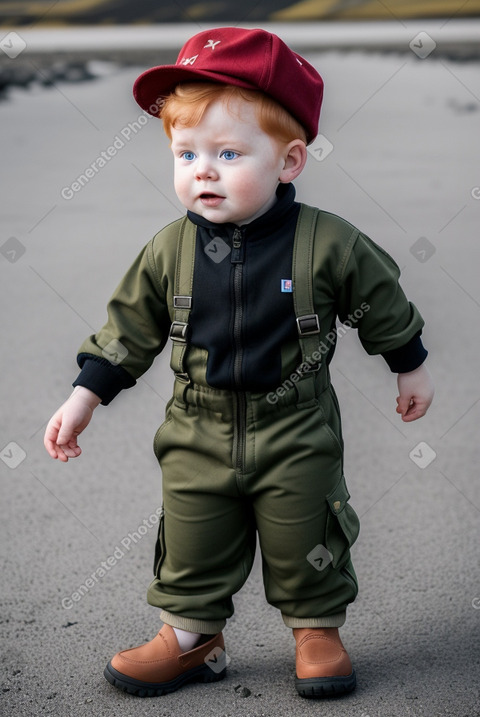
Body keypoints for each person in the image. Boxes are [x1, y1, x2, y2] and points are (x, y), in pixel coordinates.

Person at [44, 27, 434, 699]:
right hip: (196, 432)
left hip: (297, 427)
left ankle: (316, 629)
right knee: (193, 537)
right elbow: (129, 327)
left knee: (306, 532)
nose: (203, 169)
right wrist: (86, 395)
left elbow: (380, 300)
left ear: (288, 161)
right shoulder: (170, 250)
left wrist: (409, 363)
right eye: (186, 152)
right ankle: (191, 637)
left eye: (228, 152)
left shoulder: (328, 242)